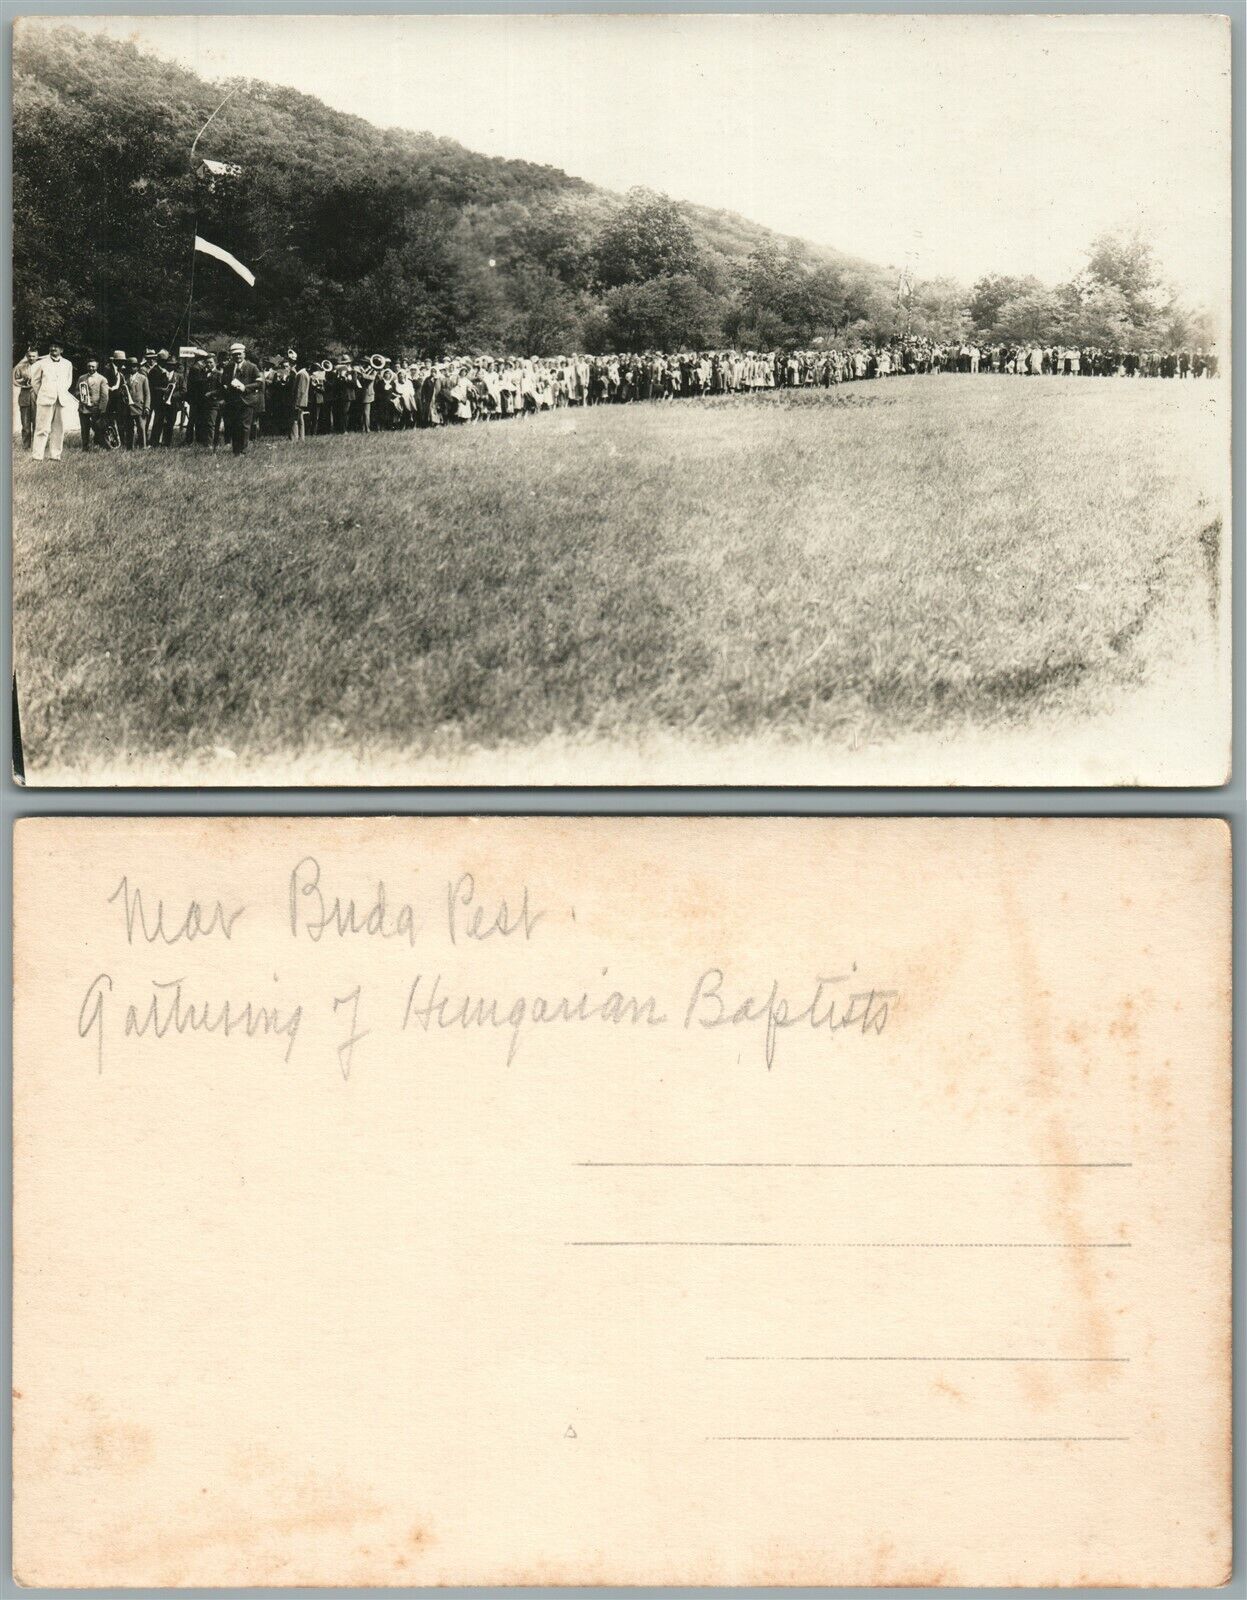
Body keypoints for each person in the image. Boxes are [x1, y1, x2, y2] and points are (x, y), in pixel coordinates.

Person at [29, 339, 74, 461]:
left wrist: (61, 392)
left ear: (61, 350)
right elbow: (35, 382)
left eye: (57, 346)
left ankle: (55, 456)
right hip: (45, 400)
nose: (54, 348)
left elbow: (68, 381)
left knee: (59, 428)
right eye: (52, 346)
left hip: (61, 400)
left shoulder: (67, 364)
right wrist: (44, 393)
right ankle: (37, 456)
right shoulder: (41, 363)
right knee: (42, 428)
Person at [220, 340, 262, 455]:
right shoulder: (229, 367)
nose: (237, 356)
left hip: (246, 400)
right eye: (235, 354)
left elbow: (259, 383)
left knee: (244, 426)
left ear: (244, 354)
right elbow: (224, 381)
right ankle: (236, 450)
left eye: (239, 354)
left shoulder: (252, 367)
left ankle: (243, 451)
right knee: (233, 425)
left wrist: (245, 387)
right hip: (232, 401)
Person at [76, 359, 111, 451]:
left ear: (97, 367)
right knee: (84, 429)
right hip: (83, 408)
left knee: (99, 429)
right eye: (89, 366)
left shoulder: (102, 379)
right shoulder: (81, 378)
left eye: (93, 366)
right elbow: (76, 391)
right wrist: (82, 396)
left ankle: (103, 446)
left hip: (96, 409)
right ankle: (85, 447)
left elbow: (105, 396)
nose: (91, 368)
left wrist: (102, 410)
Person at [148, 349, 179, 446]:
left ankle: (166, 442)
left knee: (169, 422)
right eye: (164, 361)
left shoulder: (169, 372)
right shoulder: (154, 371)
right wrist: (162, 390)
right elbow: (151, 387)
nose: (166, 363)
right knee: (158, 422)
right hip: (158, 401)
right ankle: (154, 441)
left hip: (170, 402)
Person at [13, 345, 39, 449]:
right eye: (30, 356)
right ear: (27, 356)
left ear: (37, 356)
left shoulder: (41, 366)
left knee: (37, 424)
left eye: (34, 356)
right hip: (24, 397)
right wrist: (24, 380)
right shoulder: (20, 367)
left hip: (37, 397)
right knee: (26, 425)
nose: (31, 358)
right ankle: (26, 446)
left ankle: (37, 446)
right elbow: (15, 381)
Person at [122, 357, 150, 448]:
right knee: (129, 428)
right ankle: (129, 447)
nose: (132, 368)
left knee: (141, 428)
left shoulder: (143, 378)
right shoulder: (124, 378)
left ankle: (143, 446)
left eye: (134, 366)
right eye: (130, 366)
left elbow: (147, 394)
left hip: (139, 407)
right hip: (128, 407)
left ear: (138, 367)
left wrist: (146, 406)